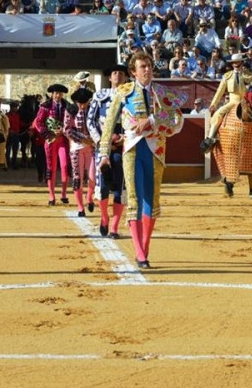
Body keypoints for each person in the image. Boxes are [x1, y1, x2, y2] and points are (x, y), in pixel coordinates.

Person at [98, 51, 186, 268]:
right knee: (135, 200)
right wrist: (103, 154)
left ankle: (144, 247)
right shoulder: (123, 92)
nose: (147, 70)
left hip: (156, 150)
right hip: (132, 150)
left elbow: (176, 117)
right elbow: (109, 124)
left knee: (152, 200)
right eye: (142, 67)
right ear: (133, 71)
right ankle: (139, 252)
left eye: (148, 66)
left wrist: (151, 119)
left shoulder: (163, 93)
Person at [87, 64, 128, 238]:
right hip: (103, 147)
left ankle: (114, 226)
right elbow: (91, 121)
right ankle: (104, 217)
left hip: (123, 146)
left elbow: (135, 121)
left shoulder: (131, 96)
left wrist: (124, 138)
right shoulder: (100, 96)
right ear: (109, 78)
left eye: (120, 73)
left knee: (120, 186)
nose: (117, 75)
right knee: (102, 186)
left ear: (125, 78)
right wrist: (101, 141)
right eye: (114, 73)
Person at [200, 53, 252, 152]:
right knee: (218, 113)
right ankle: (210, 138)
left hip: (245, 102)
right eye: (234, 63)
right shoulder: (227, 76)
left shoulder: (249, 76)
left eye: (237, 62)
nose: (235, 64)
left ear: (242, 63)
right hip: (232, 102)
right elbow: (219, 91)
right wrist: (214, 104)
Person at [34, 84, 70, 205]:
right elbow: (38, 122)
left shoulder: (68, 107)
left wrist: (64, 131)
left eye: (60, 93)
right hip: (50, 140)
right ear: (52, 94)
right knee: (51, 168)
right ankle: (51, 196)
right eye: (56, 93)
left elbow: (72, 122)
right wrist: (48, 134)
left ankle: (64, 194)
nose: (58, 95)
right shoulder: (45, 107)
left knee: (65, 166)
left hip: (63, 140)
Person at [64, 87, 96, 217]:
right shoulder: (70, 110)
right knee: (78, 178)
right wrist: (84, 139)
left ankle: (89, 197)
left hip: (91, 148)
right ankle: (80, 207)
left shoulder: (94, 109)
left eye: (85, 103)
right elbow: (67, 130)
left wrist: (93, 140)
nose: (82, 105)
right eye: (79, 103)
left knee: (93, 177)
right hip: (76, 148)